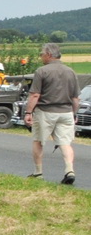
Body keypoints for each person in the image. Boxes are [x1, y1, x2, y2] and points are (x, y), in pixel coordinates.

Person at [23, 42, 79, 184]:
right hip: (66, 112)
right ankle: (69, 170)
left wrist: (28, 112)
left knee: (38, 141)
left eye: (42, 54)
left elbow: (35, 95)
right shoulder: (70, 71)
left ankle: (38, 172)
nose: (41, 56)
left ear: (48, 55)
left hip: (45, 111)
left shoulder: (42, 71)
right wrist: (74, 114)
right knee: (65, 143)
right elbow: (75, 98)